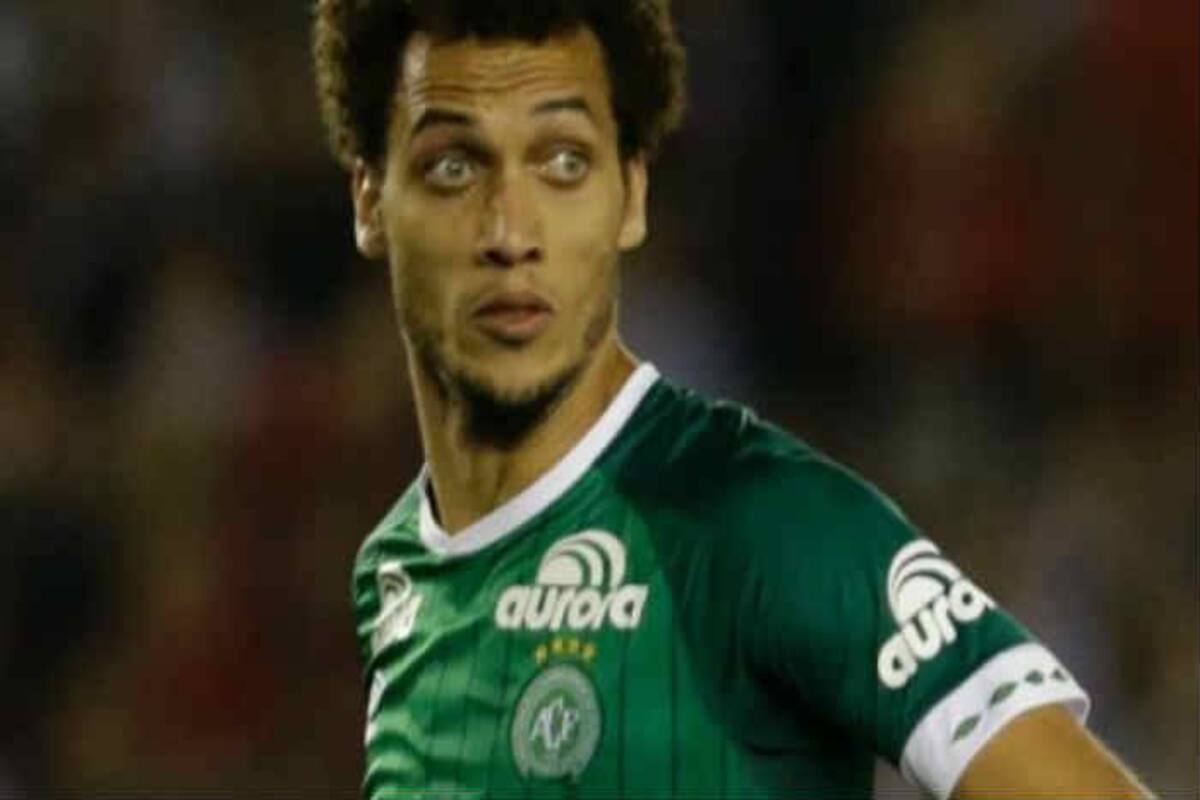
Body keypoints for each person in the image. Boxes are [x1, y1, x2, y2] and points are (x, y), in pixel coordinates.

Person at [311, 1, 1153, 796]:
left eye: (564, 162)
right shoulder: (393, 573)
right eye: (452, 166)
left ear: (631, 196)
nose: (509, 232)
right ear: (369, 199)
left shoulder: (762, 522)